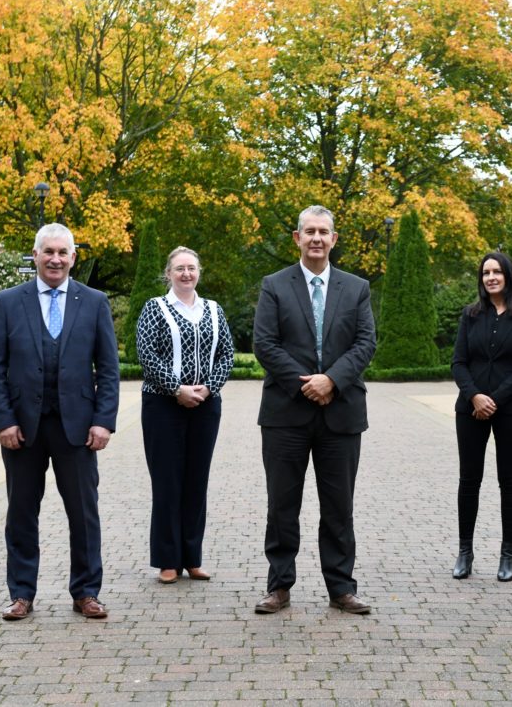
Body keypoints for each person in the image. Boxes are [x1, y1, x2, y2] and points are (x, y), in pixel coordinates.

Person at [0, 223, 119, 621]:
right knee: (22, 513)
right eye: (49, 252)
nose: (56, 259)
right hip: (22, 429)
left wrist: (103, 421)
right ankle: (22, 594)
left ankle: (86, 592)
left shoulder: (94, 302)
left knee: (84, 513)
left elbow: (108, 370)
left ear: (73, 257)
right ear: (36, 256)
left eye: (63, 252)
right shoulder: (8, 302)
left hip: (77, 427)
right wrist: (3, 421)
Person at [251, 205, 377, 615]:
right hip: (286, 413)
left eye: (324, 231)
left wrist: (332, 381)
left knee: (339, 507)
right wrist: (307, 384)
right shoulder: (274, 285)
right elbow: (264, 344)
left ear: (334, 239)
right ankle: (279, 585)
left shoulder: (356, 288)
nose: (317, 238)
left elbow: (365, 342)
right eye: (310, 232)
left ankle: (341, 587)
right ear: (297, 238)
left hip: (340, 415)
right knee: (281, 505)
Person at [136, 247, 234, 584]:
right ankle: (167, 560)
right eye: (179, 268)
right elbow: (146, 354)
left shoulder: (213, 310)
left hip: (206, 405)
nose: (186, 274)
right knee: (167, 482)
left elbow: (227, 354)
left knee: (196, 481)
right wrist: (177, 389)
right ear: (169, 273)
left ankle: (192, 557)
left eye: (192, 268)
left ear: (199, 272)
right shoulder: (155, 308)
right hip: (163, 405)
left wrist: (208, 388)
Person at [450, 251, 512, 581]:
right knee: (469, 480)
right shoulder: (470, 315)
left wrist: (494, 399)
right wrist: (475, 396)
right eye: (486, 273)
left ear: (508, 276)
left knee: (509, 480)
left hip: (510, 410)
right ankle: (465, 552)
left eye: (497, 272)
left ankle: (507, 554)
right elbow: (458, 362)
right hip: (469, 408)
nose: (491, 277)